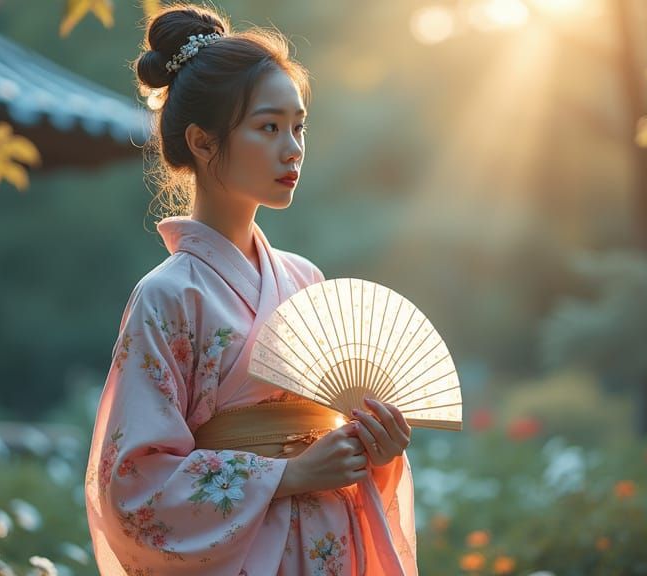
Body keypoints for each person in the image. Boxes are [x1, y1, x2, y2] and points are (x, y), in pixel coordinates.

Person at [84, 5, 417, 575]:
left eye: (299, 126)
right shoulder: (168, 296)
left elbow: (331, 432)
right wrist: (287, 474)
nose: (293, 148)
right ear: (203, 141)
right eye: (268, 127)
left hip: (326, 546)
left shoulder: (304, 280)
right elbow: (136, 482)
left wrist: (373, 450)